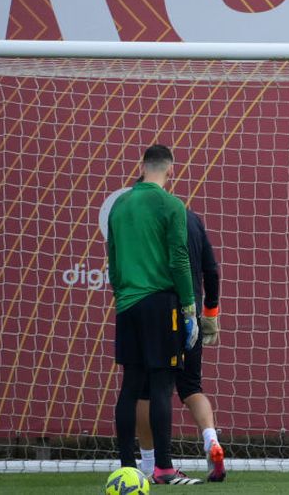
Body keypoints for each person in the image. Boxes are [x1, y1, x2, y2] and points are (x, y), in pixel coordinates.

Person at [106, 144, 201, 486]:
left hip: (128, 304)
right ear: (171, 169)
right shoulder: (170, 204)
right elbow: (179, 258)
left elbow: (113, 261)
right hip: (162, 304)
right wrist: (189, 308)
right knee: (162, 384)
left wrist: (123, 295)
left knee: (130, 386)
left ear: (141, 166)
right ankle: (163, 469)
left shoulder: (119, 204)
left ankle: (126, 468)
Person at [136, 207, 226, 483]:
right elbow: (211, 270)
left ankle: (151, 463)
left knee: (146, 390)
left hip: (157, 311)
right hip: (192, 316)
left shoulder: (143, 215)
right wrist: (210, 312)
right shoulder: (192, 218)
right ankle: (211, 440)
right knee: (192, 387)